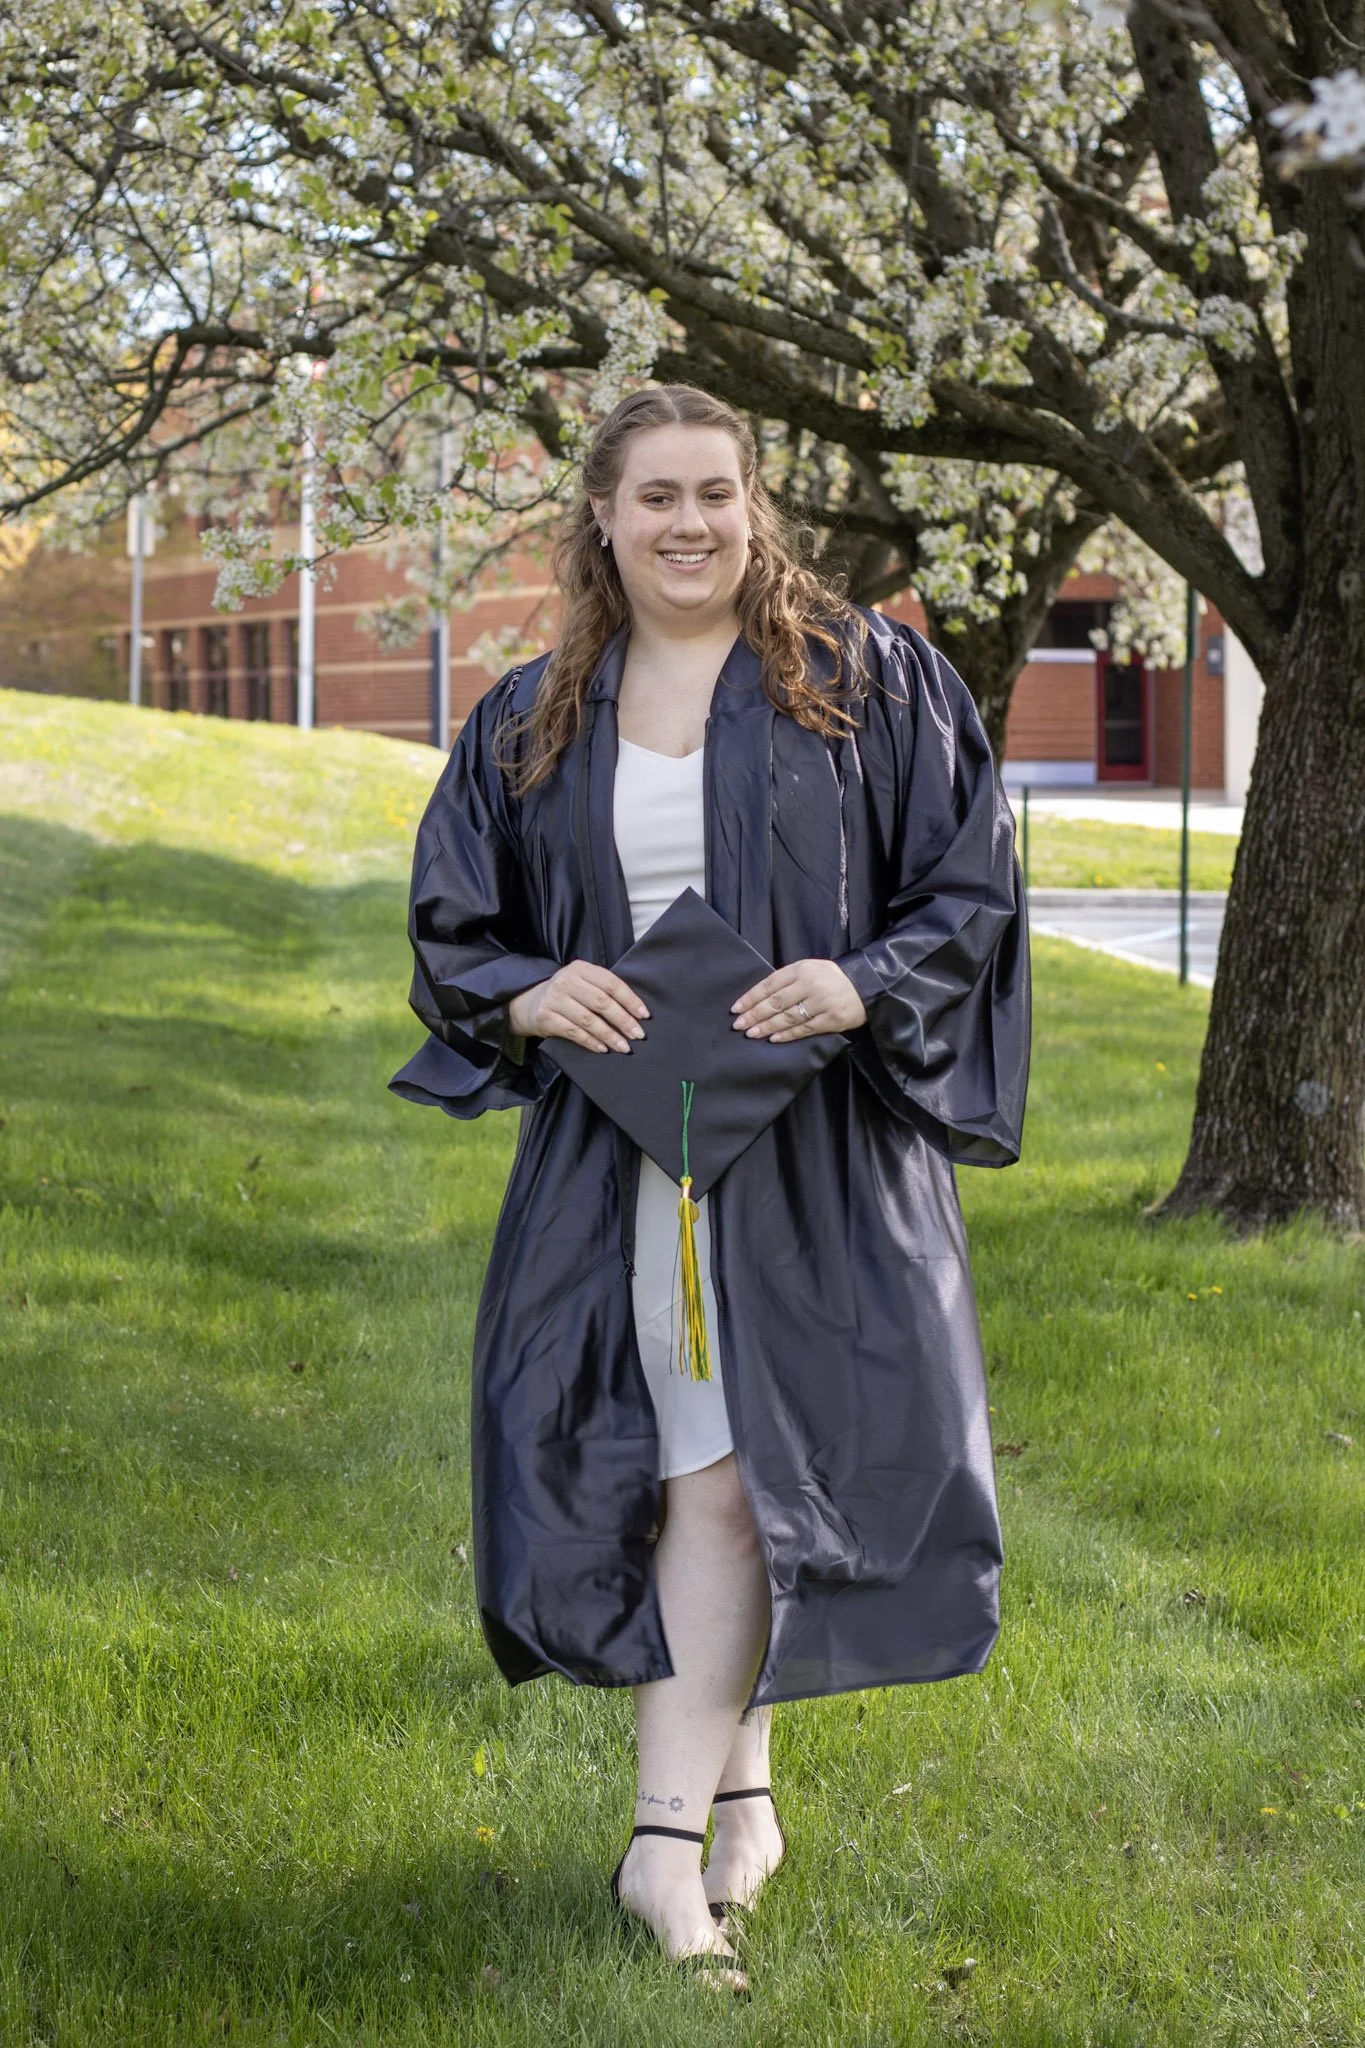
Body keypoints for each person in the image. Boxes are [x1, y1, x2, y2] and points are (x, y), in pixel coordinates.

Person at [390, 384, 1029, 1992]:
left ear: (758, 508)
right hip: (631, 1154)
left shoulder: (868, 682)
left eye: (716, 494)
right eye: (657, 497)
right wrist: (532, 992)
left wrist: (862, 980)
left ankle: (704, 1821)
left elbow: (970, 884)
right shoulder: (534, 717)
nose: (690, 524)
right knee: (709, 1481)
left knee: (751, 1477)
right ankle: (676, 1839)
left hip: (814, 1149)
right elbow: (457, 928)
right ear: (603, 519)